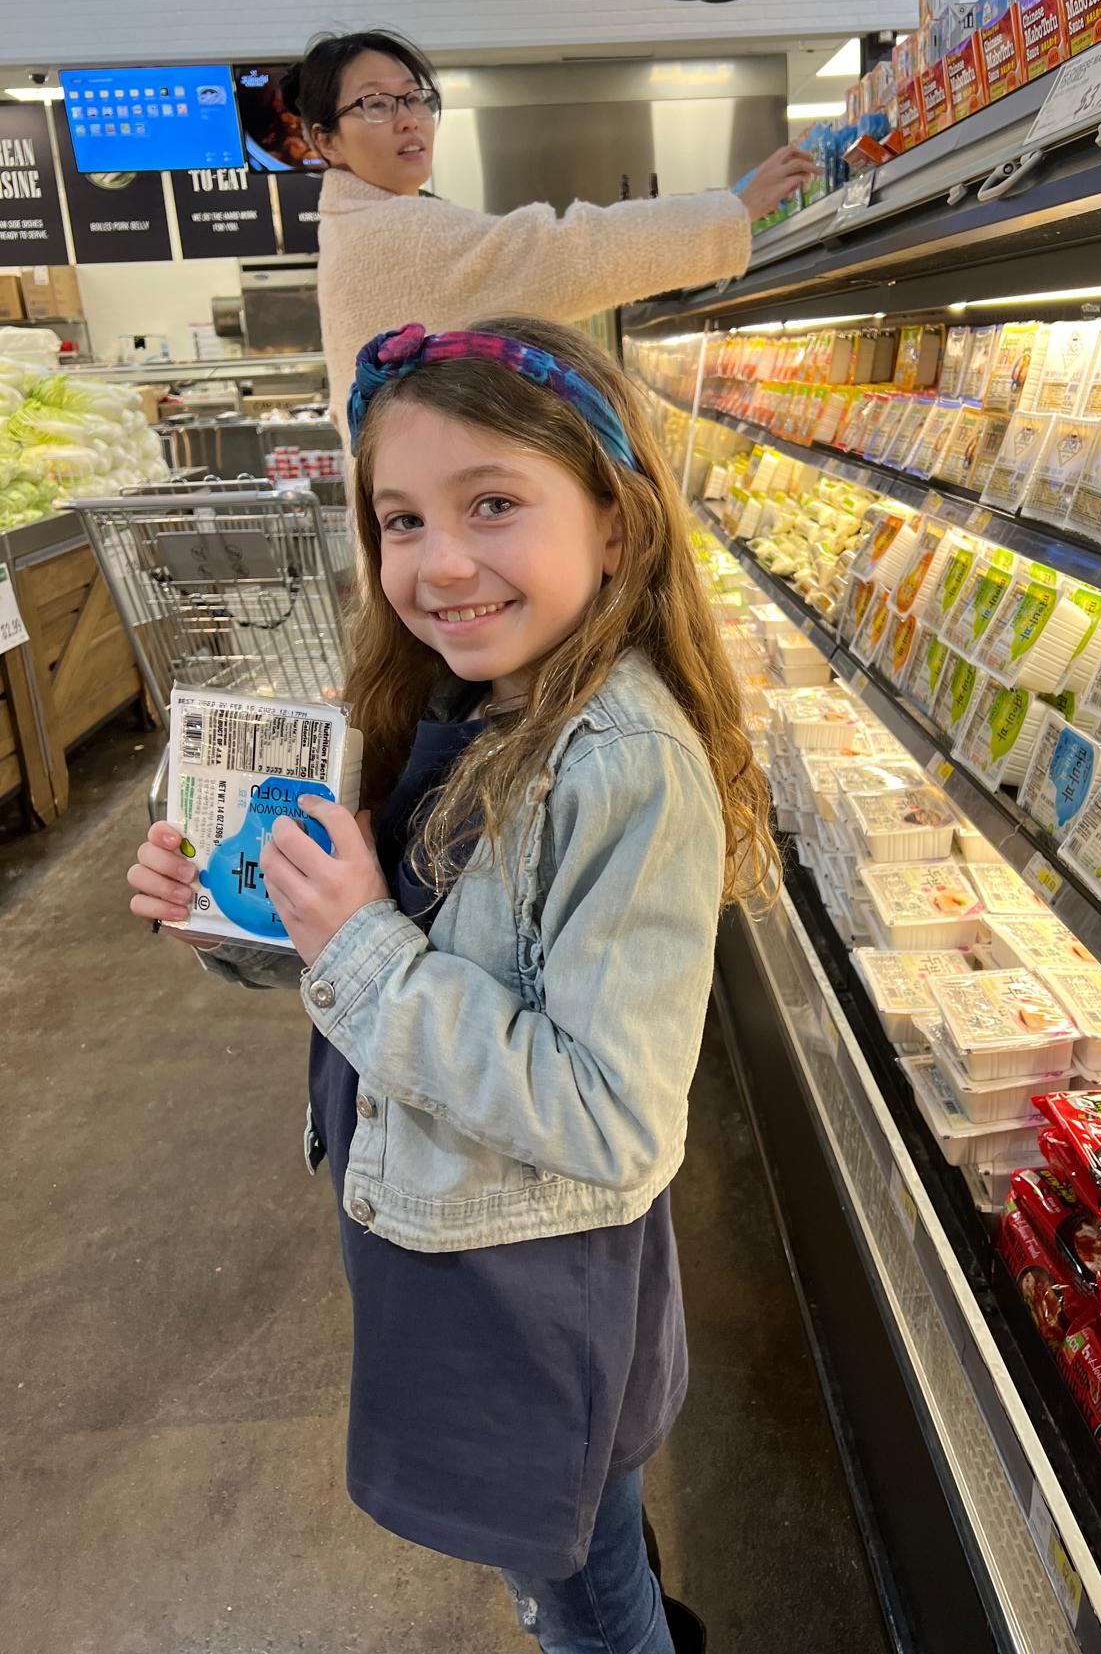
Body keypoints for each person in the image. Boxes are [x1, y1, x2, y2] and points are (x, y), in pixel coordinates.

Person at [127, 316, 778, 1653]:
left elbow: (608, 1117)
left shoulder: (620, 767)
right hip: (458, 1254)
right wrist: (237, 913)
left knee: (579, 1592)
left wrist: (358, 940)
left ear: (615, 524)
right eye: (402, 519)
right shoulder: (472, 702)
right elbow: (401, 947)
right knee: (579, 1548)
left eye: (494, 504)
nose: (441, 561)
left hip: (537, 1298)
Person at [279, 30, 816, 440]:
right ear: (327, 141)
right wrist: (732, 211)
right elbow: (564, 254)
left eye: (417, 98)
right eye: (376, 104)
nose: (408, 120)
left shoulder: (360, 224)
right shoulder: (395, 231)